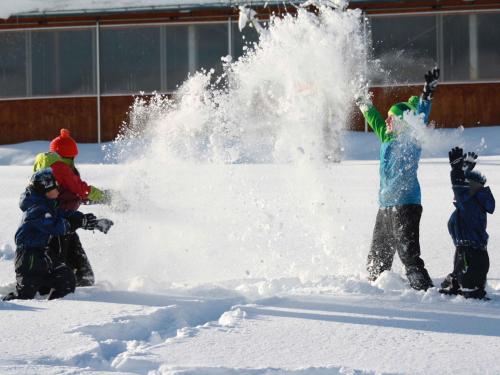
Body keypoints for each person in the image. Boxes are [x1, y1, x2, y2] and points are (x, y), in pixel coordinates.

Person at [354, 67, 440, 291]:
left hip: (406, 204)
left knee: (408, 253)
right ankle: (375, 286)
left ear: (404, 121)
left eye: (392, 117)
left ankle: (425, 290)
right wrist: (362, 98)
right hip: (385, 205)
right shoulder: (386, 135)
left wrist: (426, 94)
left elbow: (421, 114)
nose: (388, 120)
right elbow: (372, 116)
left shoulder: (411, 139)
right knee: (378, 254)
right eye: (388, 117)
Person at [2, 169, 112, 301]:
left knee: (66, 280)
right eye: (55, 187)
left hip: (43, 255)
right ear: (46, 190)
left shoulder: (48, 205)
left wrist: (90, 222)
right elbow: (55, 226)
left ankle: (54, 308)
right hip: (29, 258)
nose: (59, 190)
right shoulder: (36, 209)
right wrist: (74, 223)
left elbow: (65, 215)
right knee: (25, 295)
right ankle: (8, 305)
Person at [33, 129, 109, 286]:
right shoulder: (60, 168)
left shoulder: (49, 167)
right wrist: (104, 197)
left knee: (78, 273)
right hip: (60, 225)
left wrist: (92, 199)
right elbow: (80, 189)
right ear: (71, 155)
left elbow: (69, 194)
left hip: (58, 223)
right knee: (78, 275)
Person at [440, 147, 495, 299]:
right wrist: (464, 170)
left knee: (471, 295)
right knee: (450, 288)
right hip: (464, 254)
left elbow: (459, 190)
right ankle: (458, 281)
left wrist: (457, 170)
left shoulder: (471, 206)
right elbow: (460, 193)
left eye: (466, 184)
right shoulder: (468, 204)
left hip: (472, 256)